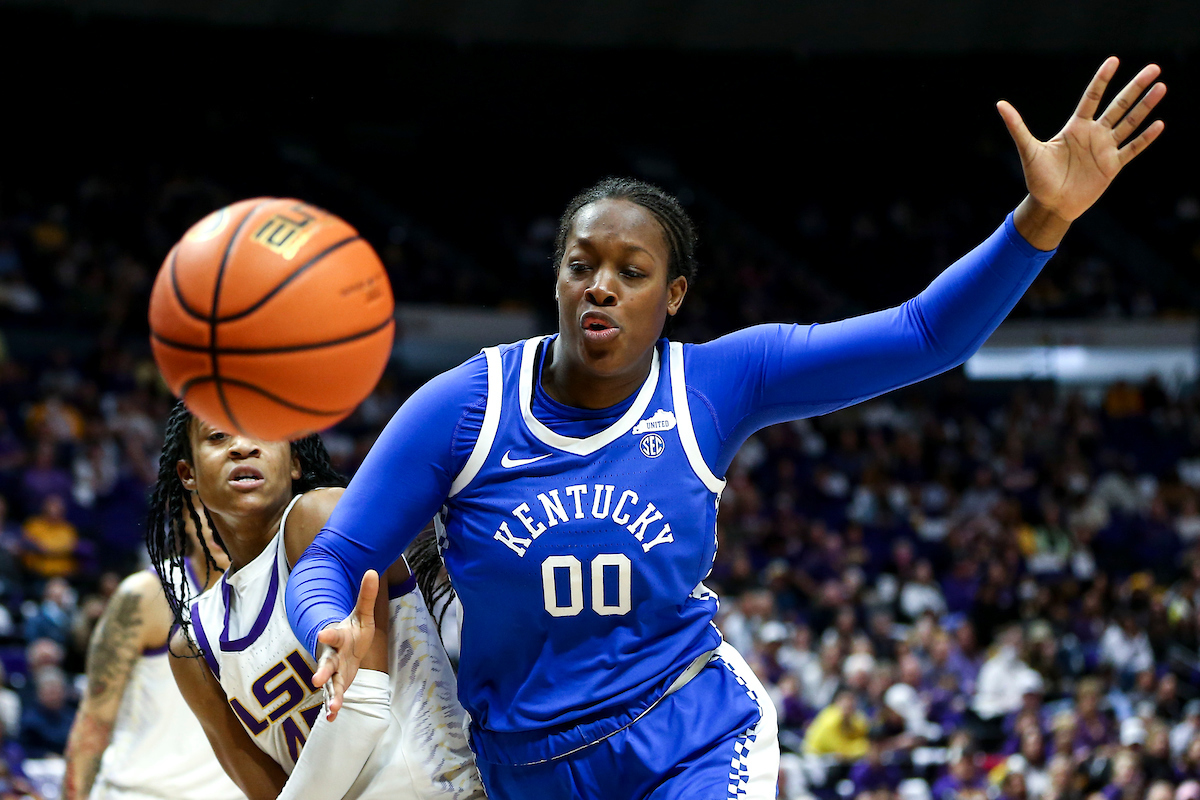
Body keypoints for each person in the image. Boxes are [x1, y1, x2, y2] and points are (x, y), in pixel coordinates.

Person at [285, 57, 1166, 799]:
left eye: (631, 272)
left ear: (671, 299)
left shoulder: (715, 382)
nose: (600, 285)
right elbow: (332, 559)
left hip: (687, 739)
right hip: (525, 766)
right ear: (556, 278)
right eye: (581, 264)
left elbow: (927, 334)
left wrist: (1042, 220)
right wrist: (325, 622)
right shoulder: (463, 408)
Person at [152, 403, 483, 800]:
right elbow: (267, 790)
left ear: (294, 461)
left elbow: (361, 712)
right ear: (188, 473)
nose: (243, 447)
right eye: (217, 436)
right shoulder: (193, 642)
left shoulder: (324, 516)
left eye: (263, 431)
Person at [62, 508, 243, 800]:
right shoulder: (145, 595)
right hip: (140, 792)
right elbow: (94, 720)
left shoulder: (283, 592)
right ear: (184, 514)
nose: (218, 522)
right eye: (206, 505)